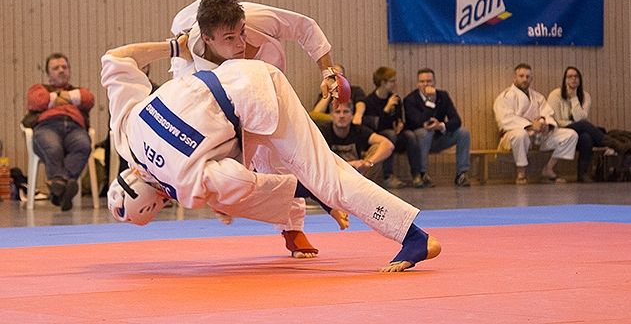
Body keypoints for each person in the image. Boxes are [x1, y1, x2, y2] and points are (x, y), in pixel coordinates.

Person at [101, 34, 441, 272]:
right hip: (237, 75)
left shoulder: (185, 184)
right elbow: (116, 58)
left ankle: (415, 238)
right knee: (292, 170)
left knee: (328, 179)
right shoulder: (126, 133)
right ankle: (303, 217)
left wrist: (219, 201)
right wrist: (175, 46)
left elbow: (247, 182)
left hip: (259, 100)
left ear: (156, 204)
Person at [170, 0, 343, 259]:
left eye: (242, 33)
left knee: (280, 156)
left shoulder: (257, 18)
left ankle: (293, 229)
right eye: (230, 38)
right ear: (207, 40)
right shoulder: (188, 69)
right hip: (224, 99)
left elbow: (305, 27)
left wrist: (327, 71)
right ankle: (224, 199)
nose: (240, 43)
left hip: (269, 83)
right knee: (227, 159)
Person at [23, 53, 95, 210]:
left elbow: (88, 99)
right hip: (47, 126)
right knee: (53, 147)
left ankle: (59, 186)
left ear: (69, 70)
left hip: (75, 128)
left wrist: (55, 98)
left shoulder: (79, 89)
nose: (61, 70)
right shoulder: (38, 88)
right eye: (56, 68)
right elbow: (37, 100)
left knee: (83, 146)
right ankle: (66, 185)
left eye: (64, 67)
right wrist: (71, 98)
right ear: (48, 75)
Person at [493, 63, 578, 184]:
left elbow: (548, 113)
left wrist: (545, 125)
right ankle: (521, 173)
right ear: (514, 78)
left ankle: (548, 168)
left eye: (528, 77)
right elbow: (505, 119)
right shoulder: (505, 97)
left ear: (531, 79)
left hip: (538, 136)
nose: (525, 79)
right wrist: (530, 125)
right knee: (520, 134)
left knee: (571, 135)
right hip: (513, 138)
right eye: (521, 76)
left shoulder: (537, 97)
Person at [404, 68, 471, 188]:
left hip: (439, 138)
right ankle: (422, 173)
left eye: (429, 81)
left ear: (434, 82)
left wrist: (440, 126)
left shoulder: (443, 96)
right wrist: (430, 101)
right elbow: (418, 121)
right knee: (425, 132)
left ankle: (461, 174)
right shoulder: (410, 99)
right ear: (417, 83)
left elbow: (456, 120)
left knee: (463, 132)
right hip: (420, 142)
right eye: (422, 81)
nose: (426, 84)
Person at [361, 67, 419, 189]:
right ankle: (388, 176)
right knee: (390, 135)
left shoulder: (395, 99)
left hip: (394, 134)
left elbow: (399, 118)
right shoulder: (369, 101)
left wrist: (400, 126)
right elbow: (375, 126)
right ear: (383, 82)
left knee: (410, 136)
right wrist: (386, 109)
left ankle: (416, 174)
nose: (395, 84)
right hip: (378, 138)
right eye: (392, 81)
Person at [547, 67, 607, 182]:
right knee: (583, 125)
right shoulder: (555, 95)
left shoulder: (586, 96)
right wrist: (575, 124)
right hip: (560, 133)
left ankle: (582, 174)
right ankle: (609, 142)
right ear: (564, 80)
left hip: (577, 134)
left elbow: (580, 117)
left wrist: (574, 98)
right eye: (570, 76)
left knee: (586, 137)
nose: (573, 79)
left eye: (576, 76)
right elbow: (557, 121)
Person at [319, 101, 394, 182]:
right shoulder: (323, 131)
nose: (341, 116)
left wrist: (368, 162)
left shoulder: (358, 130)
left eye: (346, 112)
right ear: (331, 116)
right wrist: (350, 164)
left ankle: (366, 188)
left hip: (358, 175)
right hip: (333, 176)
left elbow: (388, 145)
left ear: (352, 115)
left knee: (377, 148)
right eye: (337, 112)